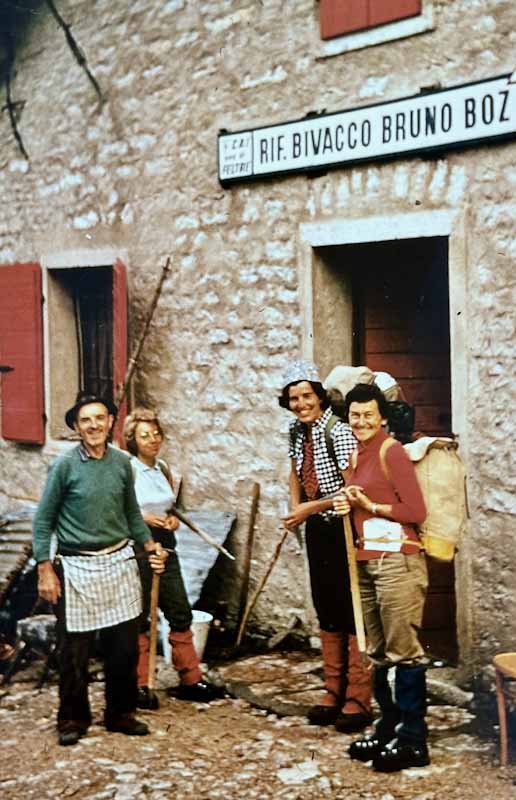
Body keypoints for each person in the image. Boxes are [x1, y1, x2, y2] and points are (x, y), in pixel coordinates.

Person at [33, 393, 166, 747]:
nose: (93, 425)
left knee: (123, 648)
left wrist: (149, 544)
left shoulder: (122, 463)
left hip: (119, 562)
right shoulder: (63, 466)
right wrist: (45, 568)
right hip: (76, 567)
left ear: (110, 422)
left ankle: (120, 714)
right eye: (85, 420)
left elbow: (131, 513)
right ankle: (73, 718)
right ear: (77, 427)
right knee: (74, 650)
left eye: (100, 418)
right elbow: (43, 521)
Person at [333, 382, 429, 772]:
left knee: (404, 651)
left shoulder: (392, 453)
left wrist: (371, 504)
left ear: (383, 417)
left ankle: (413, 740)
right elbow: (356, 506)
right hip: (367, 561)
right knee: (376, 651)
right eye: (355, 415)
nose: (361, 421)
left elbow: (416, 511)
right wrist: (346, 503)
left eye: (369, 415)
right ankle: (387, 728)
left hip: (397, 561)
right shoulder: (357, 455)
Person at [279, 360, 372, 732]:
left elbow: (352, 488)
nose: (302, 403)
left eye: (307, 395)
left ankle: (358, 697)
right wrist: (294, 509)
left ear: (319, 396)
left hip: (344, 526)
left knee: (350, 607)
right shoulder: (294, 432)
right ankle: (332, 689)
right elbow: (294, 470)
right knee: (326, 604)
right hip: (316, 528)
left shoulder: (338, 430)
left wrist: (307, 509)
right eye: (294, 398)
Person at [123, 408, 224, 708]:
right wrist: (144, 519)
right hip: (138, 546)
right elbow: (119, 511)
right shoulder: (127, 470)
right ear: (132, 440)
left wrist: (172, 522)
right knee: (139, 616)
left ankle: (191, 678)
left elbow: (171, 508)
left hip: (166, 545)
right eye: (145, 436)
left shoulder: (163, 468)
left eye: (156, 434)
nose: (153, 440)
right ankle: (140, 684)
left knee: (179, 609)